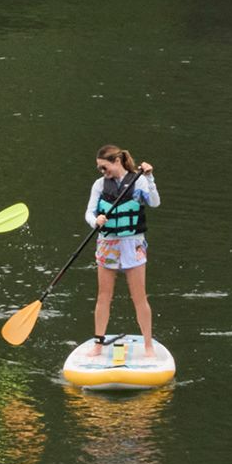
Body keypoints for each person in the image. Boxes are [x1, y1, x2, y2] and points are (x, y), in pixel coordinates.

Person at [86, 145, 160, 351]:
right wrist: (95, 221)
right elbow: (89, 213)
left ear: (117, 161)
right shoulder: (100, 185)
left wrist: (151, 178)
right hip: (107, 243)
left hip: (132, 243)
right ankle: (98, 345)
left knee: (139, 297)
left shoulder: (139, 181)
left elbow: (154, 203)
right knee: (103, 296)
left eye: (104, 167)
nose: (102, 172)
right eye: (99, 168)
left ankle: (148, 345)